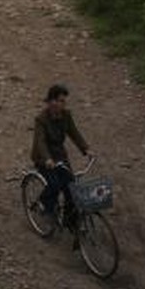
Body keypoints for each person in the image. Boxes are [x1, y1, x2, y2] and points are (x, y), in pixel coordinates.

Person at [31, 84, 93, 226]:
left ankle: (69, 219)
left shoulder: (66, 115)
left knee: (71, 186)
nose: (62, 104)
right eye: (60, 101)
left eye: (64, 101)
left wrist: (86, 149)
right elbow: (40, 142)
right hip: (43, 158)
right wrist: (47, 159)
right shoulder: (41, 119)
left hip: (60, 156)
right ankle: (44, 203)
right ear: (51, 101)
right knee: (55, 184)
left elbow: (74, 133)